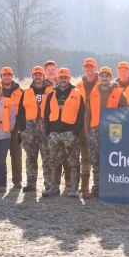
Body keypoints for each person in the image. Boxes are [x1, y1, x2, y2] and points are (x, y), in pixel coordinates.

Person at [84, 67, 129, 199]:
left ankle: (113, 191)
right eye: (102, 76)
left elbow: (125, 114)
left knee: (113, 161)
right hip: (95, 132)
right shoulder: (93, 94)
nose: (104, 78)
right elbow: (87, 114)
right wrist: (88, 131)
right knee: (95, 161)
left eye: (107, 76)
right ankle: (96, 189)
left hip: (113, 133)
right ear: (99, 78)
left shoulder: (120, 93)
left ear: (111, 78)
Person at [43, 68, 86, 198]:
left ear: (69, 78)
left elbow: (81, 115)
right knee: (55, 162)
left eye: (65, 77)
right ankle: (54, 188)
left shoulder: (77, 94)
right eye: (61, 77)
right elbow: (46, 114)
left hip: (70, 133)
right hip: (54, 134)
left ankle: (74, 189)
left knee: (74, 162)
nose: (63, 80)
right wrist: (48, 132)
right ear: (57, 78)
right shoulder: (51, 94)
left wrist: (75, 133)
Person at [18, 66, 53, 192]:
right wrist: (22, 130)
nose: (38, 77)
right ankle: (31, 183)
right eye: (35, 75)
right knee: (31, 157)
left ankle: (49, 184)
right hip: (30, 131)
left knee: (47, 158)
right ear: (32, 76)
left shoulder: (51, 91)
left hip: (46, 130)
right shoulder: (26, 92)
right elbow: (21, 112)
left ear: (44, 76)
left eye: (40, 75)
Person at [74, 58, 98, 195]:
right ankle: (84, 187)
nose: (89, 69)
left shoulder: (102, 84)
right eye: (87, 66)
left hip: (96, 125)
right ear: (84, 68)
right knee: (83, 157)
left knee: (95, 157)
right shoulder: (77, 86)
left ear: (96, 68)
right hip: (80, 126)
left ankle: (97, 186)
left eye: (92, 66)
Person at [0, 67, 23, 189]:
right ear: (1, 77)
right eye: (4, 75)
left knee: (16, 154)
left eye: (9, 75)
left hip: (16, 127)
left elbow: (24, 111)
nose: (6, 77)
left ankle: (17, 181)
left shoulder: (20, 92)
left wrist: (23, 128)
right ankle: (0, 182)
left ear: (12, 77)